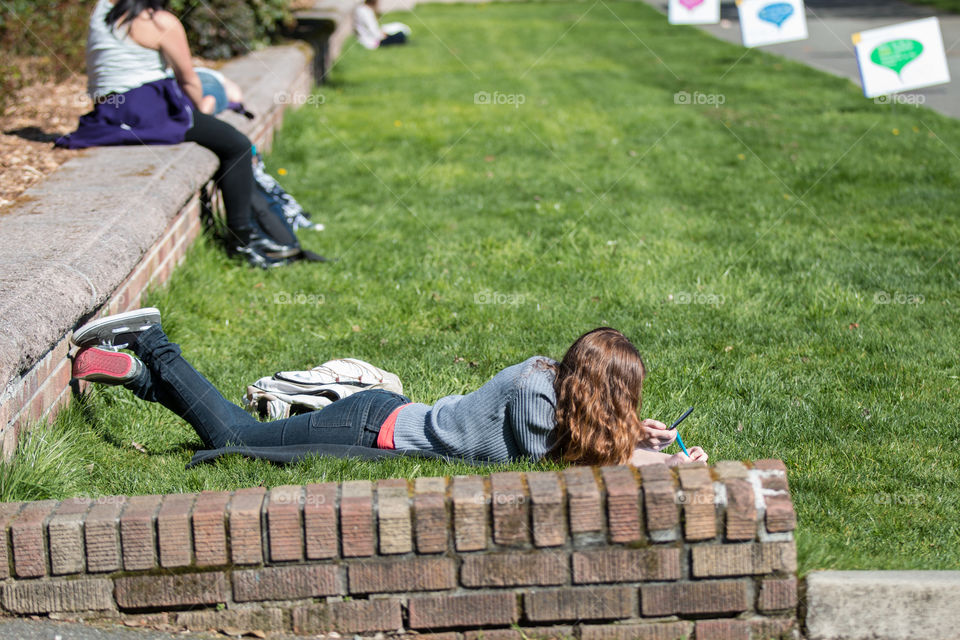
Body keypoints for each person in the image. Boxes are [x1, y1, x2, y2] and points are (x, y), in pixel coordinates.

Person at [71, 308, 709, 467]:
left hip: (387, 413)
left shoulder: (554, 381)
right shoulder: (534, 397)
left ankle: (138, 376)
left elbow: (595, 444)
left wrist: (647, 440)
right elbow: (588, 466)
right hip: (368, 427)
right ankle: (153, 339)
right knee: (238, 438)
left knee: (243, 432)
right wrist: (666, 462)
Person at [55, 0, 295, 268]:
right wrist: (202, 106)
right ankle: (242, 241)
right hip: (146, 109)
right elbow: (188, 80)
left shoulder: (102, 12)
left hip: (108, 112)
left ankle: (249, 234)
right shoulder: (159, 21)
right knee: (236, 144)